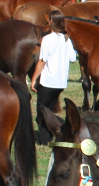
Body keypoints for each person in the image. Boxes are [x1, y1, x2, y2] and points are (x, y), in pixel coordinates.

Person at [30, 12, 78, 145]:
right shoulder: (66, 39)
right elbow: (73, 58)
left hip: (48, 81)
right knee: (48, 109)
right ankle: (44, 139)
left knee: (42, 111)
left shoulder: (48, 39)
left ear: (51, 22)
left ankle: (64, 128)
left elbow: (42, 61)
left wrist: (34, 79)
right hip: (61, 82)